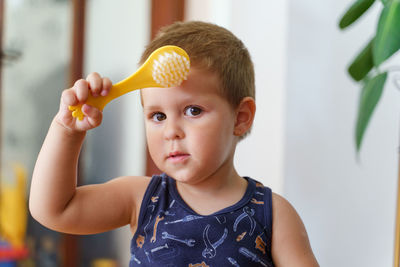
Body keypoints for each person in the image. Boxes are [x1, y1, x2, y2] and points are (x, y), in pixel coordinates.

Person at [29, 21, 319, 266]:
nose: (171, 131)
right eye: (157, 115)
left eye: (193, 111)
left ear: (240, 118)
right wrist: (67, 131)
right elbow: (54, 210)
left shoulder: (274, 215)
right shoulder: (141, 198)